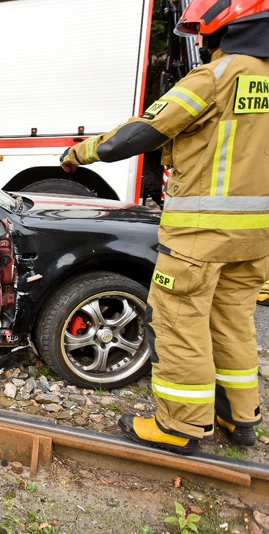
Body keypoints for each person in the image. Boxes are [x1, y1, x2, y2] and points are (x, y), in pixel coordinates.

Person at [59, 0, 268, 454]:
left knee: (179, 322)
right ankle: (239, 417)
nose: (198, 41)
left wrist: (81, 152)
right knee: (233, 321)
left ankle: (180, 427)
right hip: (257, 236)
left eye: (199, 33)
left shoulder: (217, 77)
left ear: (223, 22)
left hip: (200, 233)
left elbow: (143, 131)